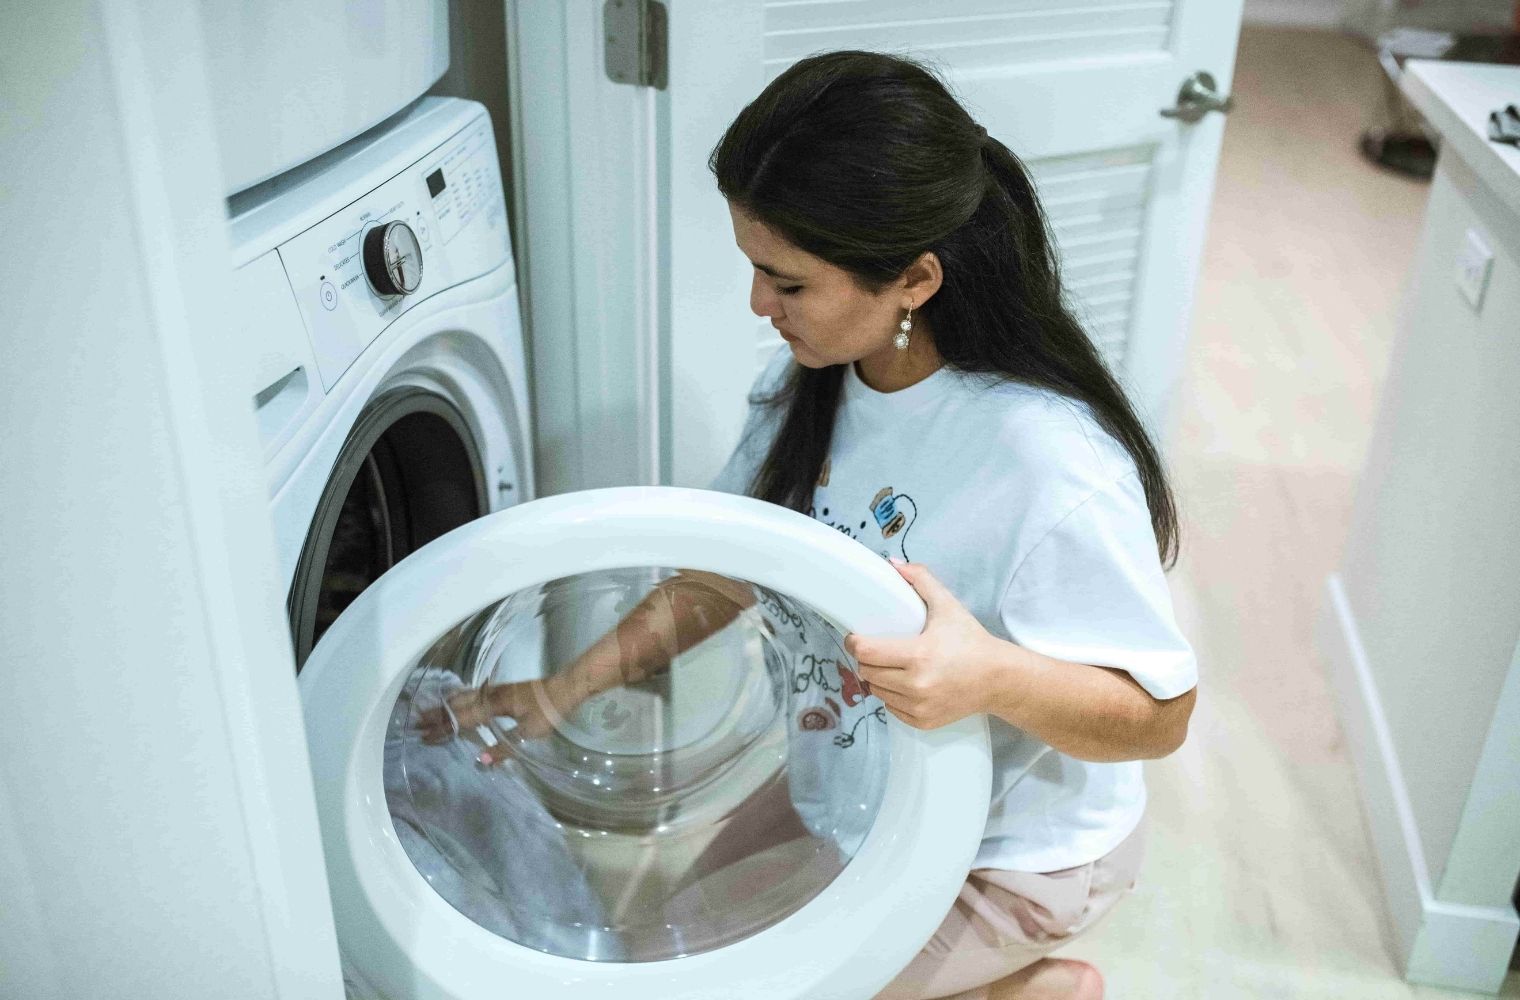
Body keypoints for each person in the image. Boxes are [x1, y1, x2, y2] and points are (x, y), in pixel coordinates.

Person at [422, 49, 1197, 1000]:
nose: (759, 305)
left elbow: (1161, 715)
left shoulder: (1046, 461)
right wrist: (561, 689)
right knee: (666, 964)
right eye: (756, 269)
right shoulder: (817, 387)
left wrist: (989, 674)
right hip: (854, 788)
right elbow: (724, 572)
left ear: (913, 279)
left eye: (789, 283)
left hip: (1016, 851)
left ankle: (1033, 988)